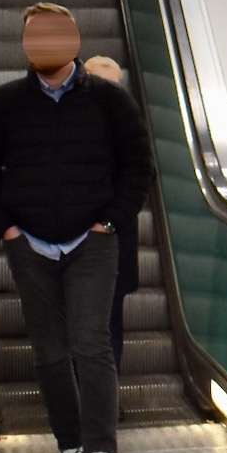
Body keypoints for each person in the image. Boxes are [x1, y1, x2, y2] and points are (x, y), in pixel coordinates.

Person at [0, 3, 151, 453]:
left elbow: (138, 165)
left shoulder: (109, 100)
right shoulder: (5, 103)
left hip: (92, 242)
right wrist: (5, 229)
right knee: (49, 351)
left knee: (91, 343)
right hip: (30, 243)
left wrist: (108, 222)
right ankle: (70, 447)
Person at [82, 54, 142, 369]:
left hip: (114, 243)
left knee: (109, 326)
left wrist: (107, 222)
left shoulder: (130, 131)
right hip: (72, 247)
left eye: (115, 88)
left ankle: (106, 390)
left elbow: (140, 182)